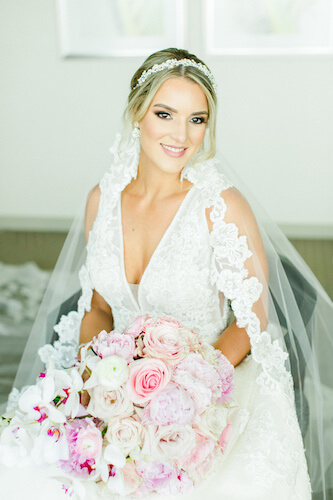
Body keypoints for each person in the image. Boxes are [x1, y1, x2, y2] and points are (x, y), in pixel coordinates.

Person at [1, 48, 332, 499]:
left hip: (209, 388)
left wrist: (187, 391)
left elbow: (251, 323)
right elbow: (98, 308)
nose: (182, 135)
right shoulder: (102, 199)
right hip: (114, 389)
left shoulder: (221, 206)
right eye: (165, 114)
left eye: (197, 119)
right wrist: (93, 378)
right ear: (137, 113)